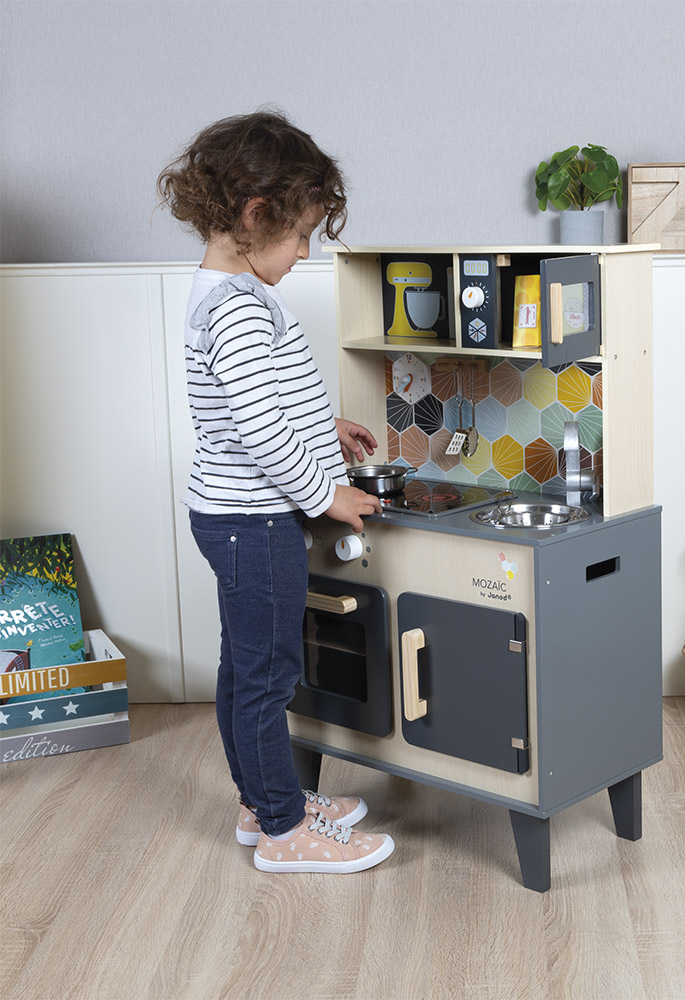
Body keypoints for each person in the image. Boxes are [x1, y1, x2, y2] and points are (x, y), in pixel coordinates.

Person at [157, 110, 394, 874]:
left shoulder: (226, 295)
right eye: (300, 237)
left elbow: (258, 405)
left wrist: (327, 426)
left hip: (228, 514)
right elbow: (259, 431)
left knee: (244, 670)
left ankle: (264, 802)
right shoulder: (235, 308)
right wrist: (328, 494)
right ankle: (287, 831)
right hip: (253, 521)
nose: (302, 254)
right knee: (269, 677)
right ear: (257, 216)